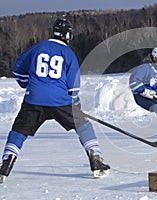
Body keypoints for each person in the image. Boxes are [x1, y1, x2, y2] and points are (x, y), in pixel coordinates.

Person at [0, 18, 110, 182]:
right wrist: (74, 102)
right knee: (84, 126)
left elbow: (17, 68)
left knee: (18, 131)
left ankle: (6, 163)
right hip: (60, 101)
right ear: (68, 35)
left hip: (34, 99)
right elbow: (73, 88)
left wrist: (27, 84)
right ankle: (96, 160)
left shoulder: (37, 47)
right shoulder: (68, 54)